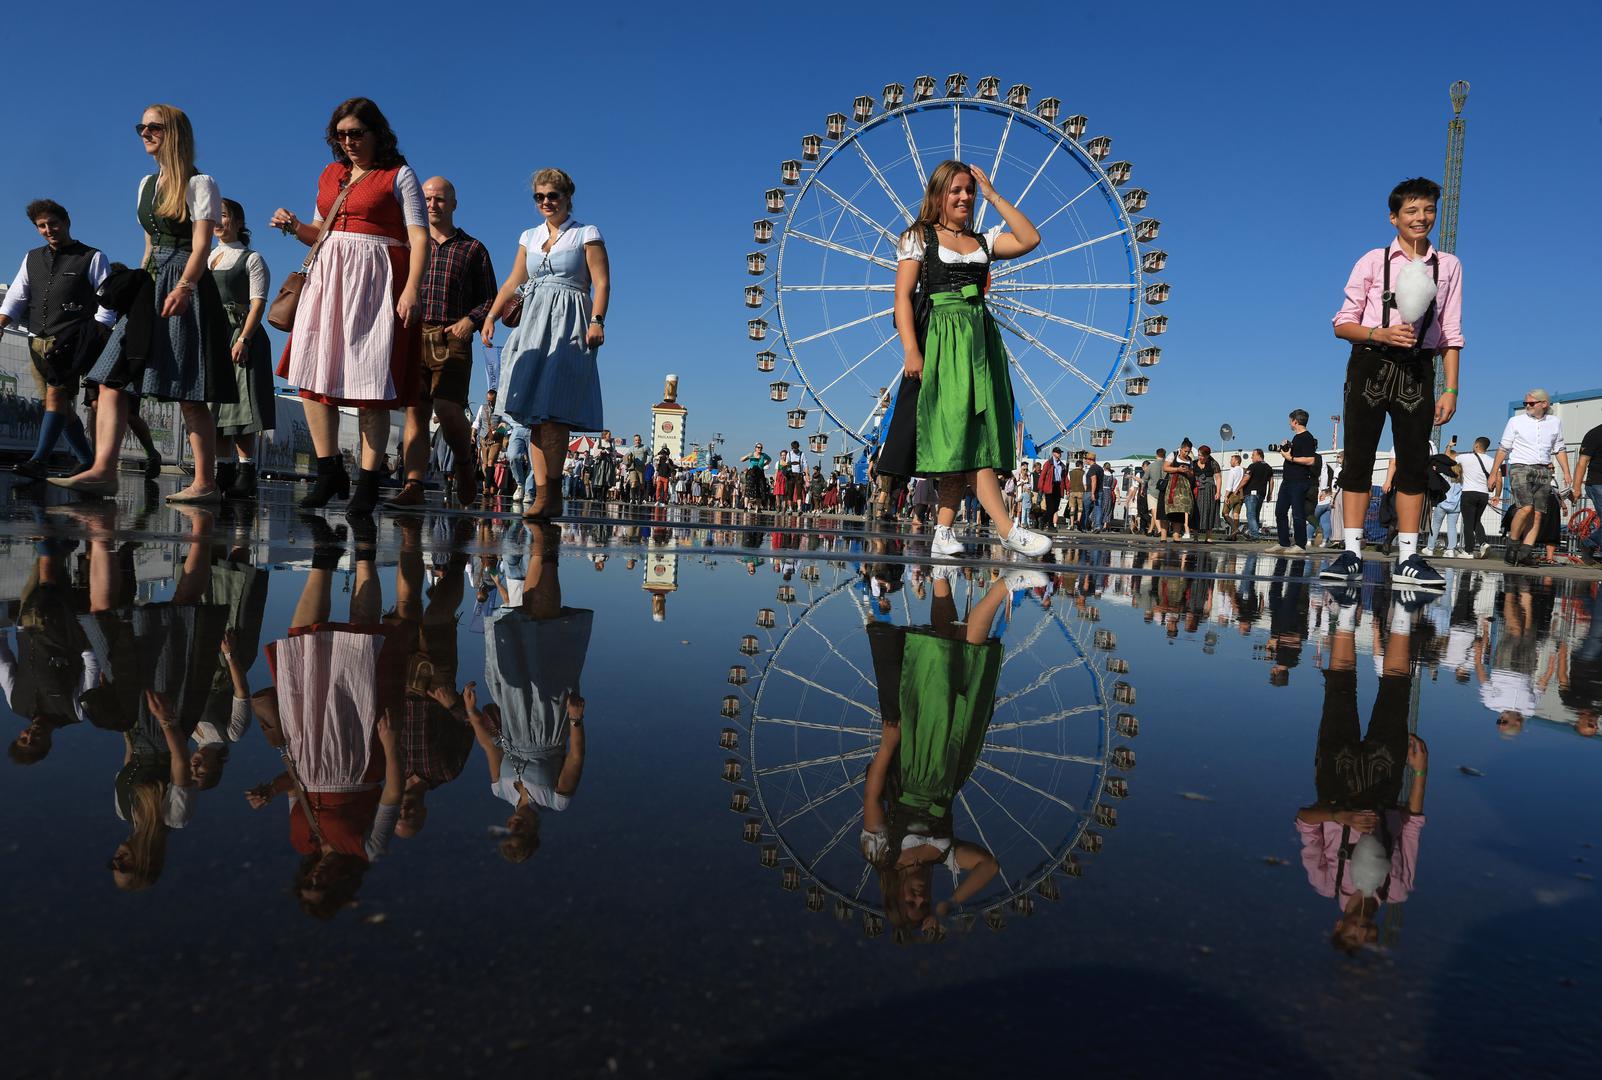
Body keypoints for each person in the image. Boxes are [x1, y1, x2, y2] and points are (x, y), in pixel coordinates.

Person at [55, 105, 234, 503]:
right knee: (110, 378)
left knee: (189, 390)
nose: (145, 133)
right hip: (151, 284)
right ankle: (104, 470)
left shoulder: (200, 183)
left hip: (185, 283)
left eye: (154, 127)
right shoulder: (146, 184)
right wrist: (135, 290)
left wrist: (185, 288)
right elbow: (150, 245)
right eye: (142, 126)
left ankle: (205, 482)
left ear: (175, 133)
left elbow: (203, 244)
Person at [269, 97, 428, 514]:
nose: (348, 141)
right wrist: (293, 227)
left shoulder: (399, 175)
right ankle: (329, 470)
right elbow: (319, 232)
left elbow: (421, 237)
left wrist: (411, 288)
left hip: (377, 281)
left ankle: (369, 482)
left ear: (377, 133)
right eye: (341, 135)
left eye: (356, 133)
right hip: (328, 279)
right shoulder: (330, 174)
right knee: (314, 376)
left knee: (370, 383)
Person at [889, 161, 1050, 560]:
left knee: (973, 436)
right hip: (943, 340)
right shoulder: (918, 238)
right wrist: (911, 349)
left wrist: (994, 196)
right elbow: (903, 298)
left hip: (980, 342)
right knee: (960, 438)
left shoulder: (983, 241)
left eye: (969, 191)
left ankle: (943, 531)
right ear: (938, 194)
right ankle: (1008, 529)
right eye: (956, 190)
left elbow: (1030, 238)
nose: (964, 197)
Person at [1324, 177, 1464, 590]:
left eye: (1428, 210)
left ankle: (1409, 555)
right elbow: (1341, 324)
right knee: (1359, 457)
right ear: (1394, 218)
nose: (1421, 218)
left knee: (1414, 462)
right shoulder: (1372, 261)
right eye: (1412, 211)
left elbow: (1451, 333)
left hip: (1419, 369)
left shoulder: (1449, 266)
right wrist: (1378, 334)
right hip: (1369, 363)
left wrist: (1451, 388)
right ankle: (1351, 550)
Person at [860, 572, 1011, 938]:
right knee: (966, 673)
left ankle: (1006, 585)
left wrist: (887, 743)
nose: (919, 899)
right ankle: (943, 572)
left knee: (947, 664)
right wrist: (947, 906)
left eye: (909, 903)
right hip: (953, 763)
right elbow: (989, 867)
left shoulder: (881, 853)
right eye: (923, 905)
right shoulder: (945, 856)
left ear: (894, 897)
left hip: (917, 757)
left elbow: (873, 793)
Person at [1295, 589, 1429, 955]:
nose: (1365, 933)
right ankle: (1403, 607)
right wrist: (1420, 774)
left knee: (1339, 687)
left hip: (1335, 783)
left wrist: (1341, 816)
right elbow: (1412, 826)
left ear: (1339, 926)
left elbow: (1305, 820)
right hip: (1385, 788)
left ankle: (1347, 606)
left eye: (1352, 936)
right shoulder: (1396, 890)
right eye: (1368, 939)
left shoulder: (1325, 882)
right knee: (1397, 689)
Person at [482, 168, 610, 520]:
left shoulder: (586, 233)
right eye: (539, 197)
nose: (546, 202)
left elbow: (601, 281)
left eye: (552, 195)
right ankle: (543, 494)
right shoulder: (530, 235)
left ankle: (551, 493)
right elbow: (514, 280)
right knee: (533, 417)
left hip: (571, 319)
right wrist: (491, 316)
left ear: (568, 196)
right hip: (533, 322)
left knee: (554, 415)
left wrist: (598, 320)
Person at [468, 525, 590, 864]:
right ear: (533, 833)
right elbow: (575, 759)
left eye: (508, 831)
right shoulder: (557, 800)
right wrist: (577, 722)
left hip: (511, 709)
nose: (514, 826)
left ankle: (540, 541)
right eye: (520, 833)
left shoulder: (499, 790)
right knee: (547, 629)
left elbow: (488, 746)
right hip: (549, 719)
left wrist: (474, 714)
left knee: (520, 622)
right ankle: (546, 550)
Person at [388, 177, 496, 509]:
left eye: (439, 199)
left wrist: (470, 321)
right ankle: (414, 484)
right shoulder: (407, 242)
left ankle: (465, 465)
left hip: (452, 337)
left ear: (453, 204)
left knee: (448, 410)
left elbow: (491, 299)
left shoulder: (473, 248)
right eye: (427, 199)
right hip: (410, 333)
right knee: (415, 413)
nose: (432, 205)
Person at [0, 199, 111, 478]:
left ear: (67, 222)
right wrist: (1, 323)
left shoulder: (92, 257)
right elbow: (17, 296)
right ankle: (86, 458)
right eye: (41, 226)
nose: (48, 229)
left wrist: (96, 333)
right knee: (59, 406)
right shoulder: (32, 257)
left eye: (53, 223)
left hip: (71, 340)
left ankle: (39, 460)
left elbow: (108, 301)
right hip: (37, 339)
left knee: (55, 397)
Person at [207, 199, 275, 500]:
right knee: (216, 409)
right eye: (213, 217)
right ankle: (222, 470)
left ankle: (247, 471)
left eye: (222, 216)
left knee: (241, 407)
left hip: (240, 334)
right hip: (214, 337)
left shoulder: (251, 258)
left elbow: (258, 302)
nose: (217, 222)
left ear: (237, 221)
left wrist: (244, 339)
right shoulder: (207, 257)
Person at [1489, 389, 1573, 567]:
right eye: (1525, 403)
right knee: (1526, 507)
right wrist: (1493, 473)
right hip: (1520, 467)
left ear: (1544, 404)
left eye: (1531, 403)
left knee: (1537, 514)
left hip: (1543, 470)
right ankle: (1512, 546)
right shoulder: (1515, 421)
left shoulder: (1554, 422)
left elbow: (1559, 448)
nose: (1527, 406)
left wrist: (1566, 471)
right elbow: (1504, 448)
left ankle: (1526, 552)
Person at [1269, 410, 1319, 554]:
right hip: (1287, 481)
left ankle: (1300, 545)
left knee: (1297, 513)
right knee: (1280, 511)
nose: (1289, 423)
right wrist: (1287, 448)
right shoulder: (1296, 438)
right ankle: (1283, 543)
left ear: (1295, 421)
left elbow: (1311, 460)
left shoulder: (1307, 437)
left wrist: (1289, 457)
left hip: (1299, 481)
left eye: (1290, 421)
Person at [1458, 436, 1496, 559]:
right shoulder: (1492, 461)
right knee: (1476, 520)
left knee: (1468, 523)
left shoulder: (1465, 457)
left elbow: (1449, 457)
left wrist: (1449, 446)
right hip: (1484, 494)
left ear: (1476, 445)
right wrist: (1497, 495)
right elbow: (1498, 479)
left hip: (1469, 493)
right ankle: (1483, 543)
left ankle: (1468, 551)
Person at [1425, 445, 1465, 558]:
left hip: (1442, 503)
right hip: (1456, 505)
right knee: (1452, 526)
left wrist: (1448, 446)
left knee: (1436, 525)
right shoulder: (1461, 475)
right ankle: (1451, 549)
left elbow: (1443, 459)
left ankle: (1430, 548)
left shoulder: (1443, 471)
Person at [1572, 421, 1602, 567]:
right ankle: (1589, 544)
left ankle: (1588, 543)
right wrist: (1576, 487)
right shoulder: (1595, 434)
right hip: (1597, 483)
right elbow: (1582, 462)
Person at [1162, 440, 1195, 540]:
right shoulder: (1173, 455)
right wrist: (1177, 469)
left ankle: (1176, 534)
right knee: (1170, 510)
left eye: (1188, 451)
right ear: (1181, 449)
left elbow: (1192, 476)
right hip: (1173, 484)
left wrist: (1188, 471)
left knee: (1182, 510)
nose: (1187, 453)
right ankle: (1164, 536)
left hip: (1184, 486)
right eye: (1185, 451)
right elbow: (1165, 468)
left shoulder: (1190, 459)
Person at [1242, 449, 1273, 541]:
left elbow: (1246, 479)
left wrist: (1237, 489)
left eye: (1253, 455)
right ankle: (1253, 533)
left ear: (1259, 455)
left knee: (1250, 515)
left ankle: (1255, 535)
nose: (1251, 457)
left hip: (1251, 494)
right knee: (1256, 515)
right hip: (1261, 494)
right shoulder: (1268, 467)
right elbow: (1271, 481)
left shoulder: (1252, 466)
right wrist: (1269, 494)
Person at [1192, 444, 1221, 543]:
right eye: (1199, 455)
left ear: (1207, 456)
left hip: (1209, 490)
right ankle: (1195, 536)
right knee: (1196, 512)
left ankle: (1208, 536)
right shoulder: (1193, 463)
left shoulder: (1213, 463)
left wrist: (1218, 492)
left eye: (1202, 455)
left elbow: (1218, 478)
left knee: (1210, 511)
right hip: (1196, 489)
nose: (1200, 457)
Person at [1143, 449, 1167, 538]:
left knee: (1154, 510)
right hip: (1163, 491)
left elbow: (1144, 479)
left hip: (1152, 490)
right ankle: (1152, 530)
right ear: (1165, 455)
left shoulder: (1151, 466)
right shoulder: (1167, 465)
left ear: (1156, 454)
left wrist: (1142, 489)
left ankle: (1160, 529)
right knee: (1158, 512)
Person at [1222, 452, 1246, 539]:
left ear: (1236, 461)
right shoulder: (1243, 470)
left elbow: (1229, 485)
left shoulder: (1232, 470)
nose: (1230, 461)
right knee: (1236, 515)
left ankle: (1235, 529)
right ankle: (1234, 536)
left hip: (1233, 494)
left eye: (1231, 460)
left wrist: (1226, 496)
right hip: (1241, 495)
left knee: (1225, 513)